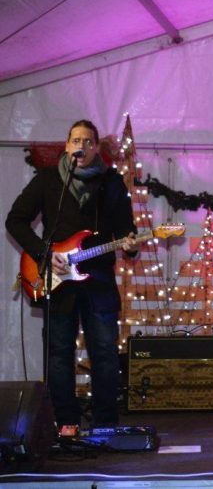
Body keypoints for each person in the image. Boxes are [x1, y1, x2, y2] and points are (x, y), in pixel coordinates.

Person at [6, 120, 138, 427]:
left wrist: (131, 246)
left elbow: (126, 230)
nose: (81, 146)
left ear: (96, 148)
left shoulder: (112, 183)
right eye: (76, 140)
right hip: (58, 282)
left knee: (104, 352)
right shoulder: (48, 179)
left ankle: (105, 425)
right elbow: (15, 220)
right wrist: (44, 253)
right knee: (59, 354)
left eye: (88, 141)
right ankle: (65, 423)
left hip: (99, 281)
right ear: (67, 146)